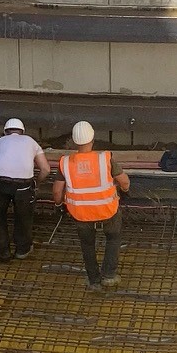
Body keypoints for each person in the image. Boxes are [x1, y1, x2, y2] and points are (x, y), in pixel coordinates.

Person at [57, 121, 129, 290]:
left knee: (87, 244)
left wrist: (59, 204)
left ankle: (94, 280)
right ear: (92, 139)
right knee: (113, 238)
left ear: (74, 141)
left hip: (81, 214)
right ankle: (109, 275)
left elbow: (57, 191)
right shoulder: (105, 158)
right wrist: (125, 190)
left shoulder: (66, 162)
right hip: (108, 211)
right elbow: (124, 181)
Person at [0, 117, 46, 262]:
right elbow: (45, 169)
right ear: (22, 131)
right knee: (23, 216)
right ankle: (22, 250)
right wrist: (36, 184)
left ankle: (3, 252)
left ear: (5, 132)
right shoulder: (31, 141)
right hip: (23, 184)